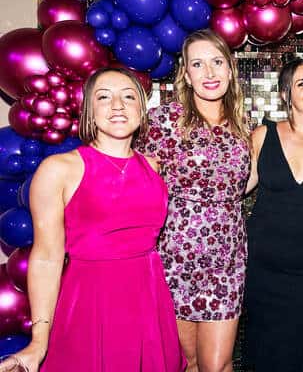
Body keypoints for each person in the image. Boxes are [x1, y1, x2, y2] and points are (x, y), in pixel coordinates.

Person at [0, 67, 186, 372]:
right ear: (89, 110)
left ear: (142, 109)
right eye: (104, 97)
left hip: (150, 301)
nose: (118, 105)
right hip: (90, 303)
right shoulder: (58, 169)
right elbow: (46, 257)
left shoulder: (153, 168)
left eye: (129, 97)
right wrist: (39, 340)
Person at [136, 29, 250, 372]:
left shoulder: (241, 124)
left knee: (218, 363)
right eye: (198, 64)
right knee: (187, 363)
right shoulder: (163, 121)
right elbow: (141, 188)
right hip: (176, 261)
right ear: (186, 74)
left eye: (217, 62)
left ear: (230, 69)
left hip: (227, 261)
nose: (209, 73)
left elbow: (245, 183)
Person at [242, 58, 303, 372]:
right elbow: (236, 188)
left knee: (294, 349)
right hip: (262, 266)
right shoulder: (263, 135)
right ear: (286, 94)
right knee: (261, 349)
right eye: (302, 83)